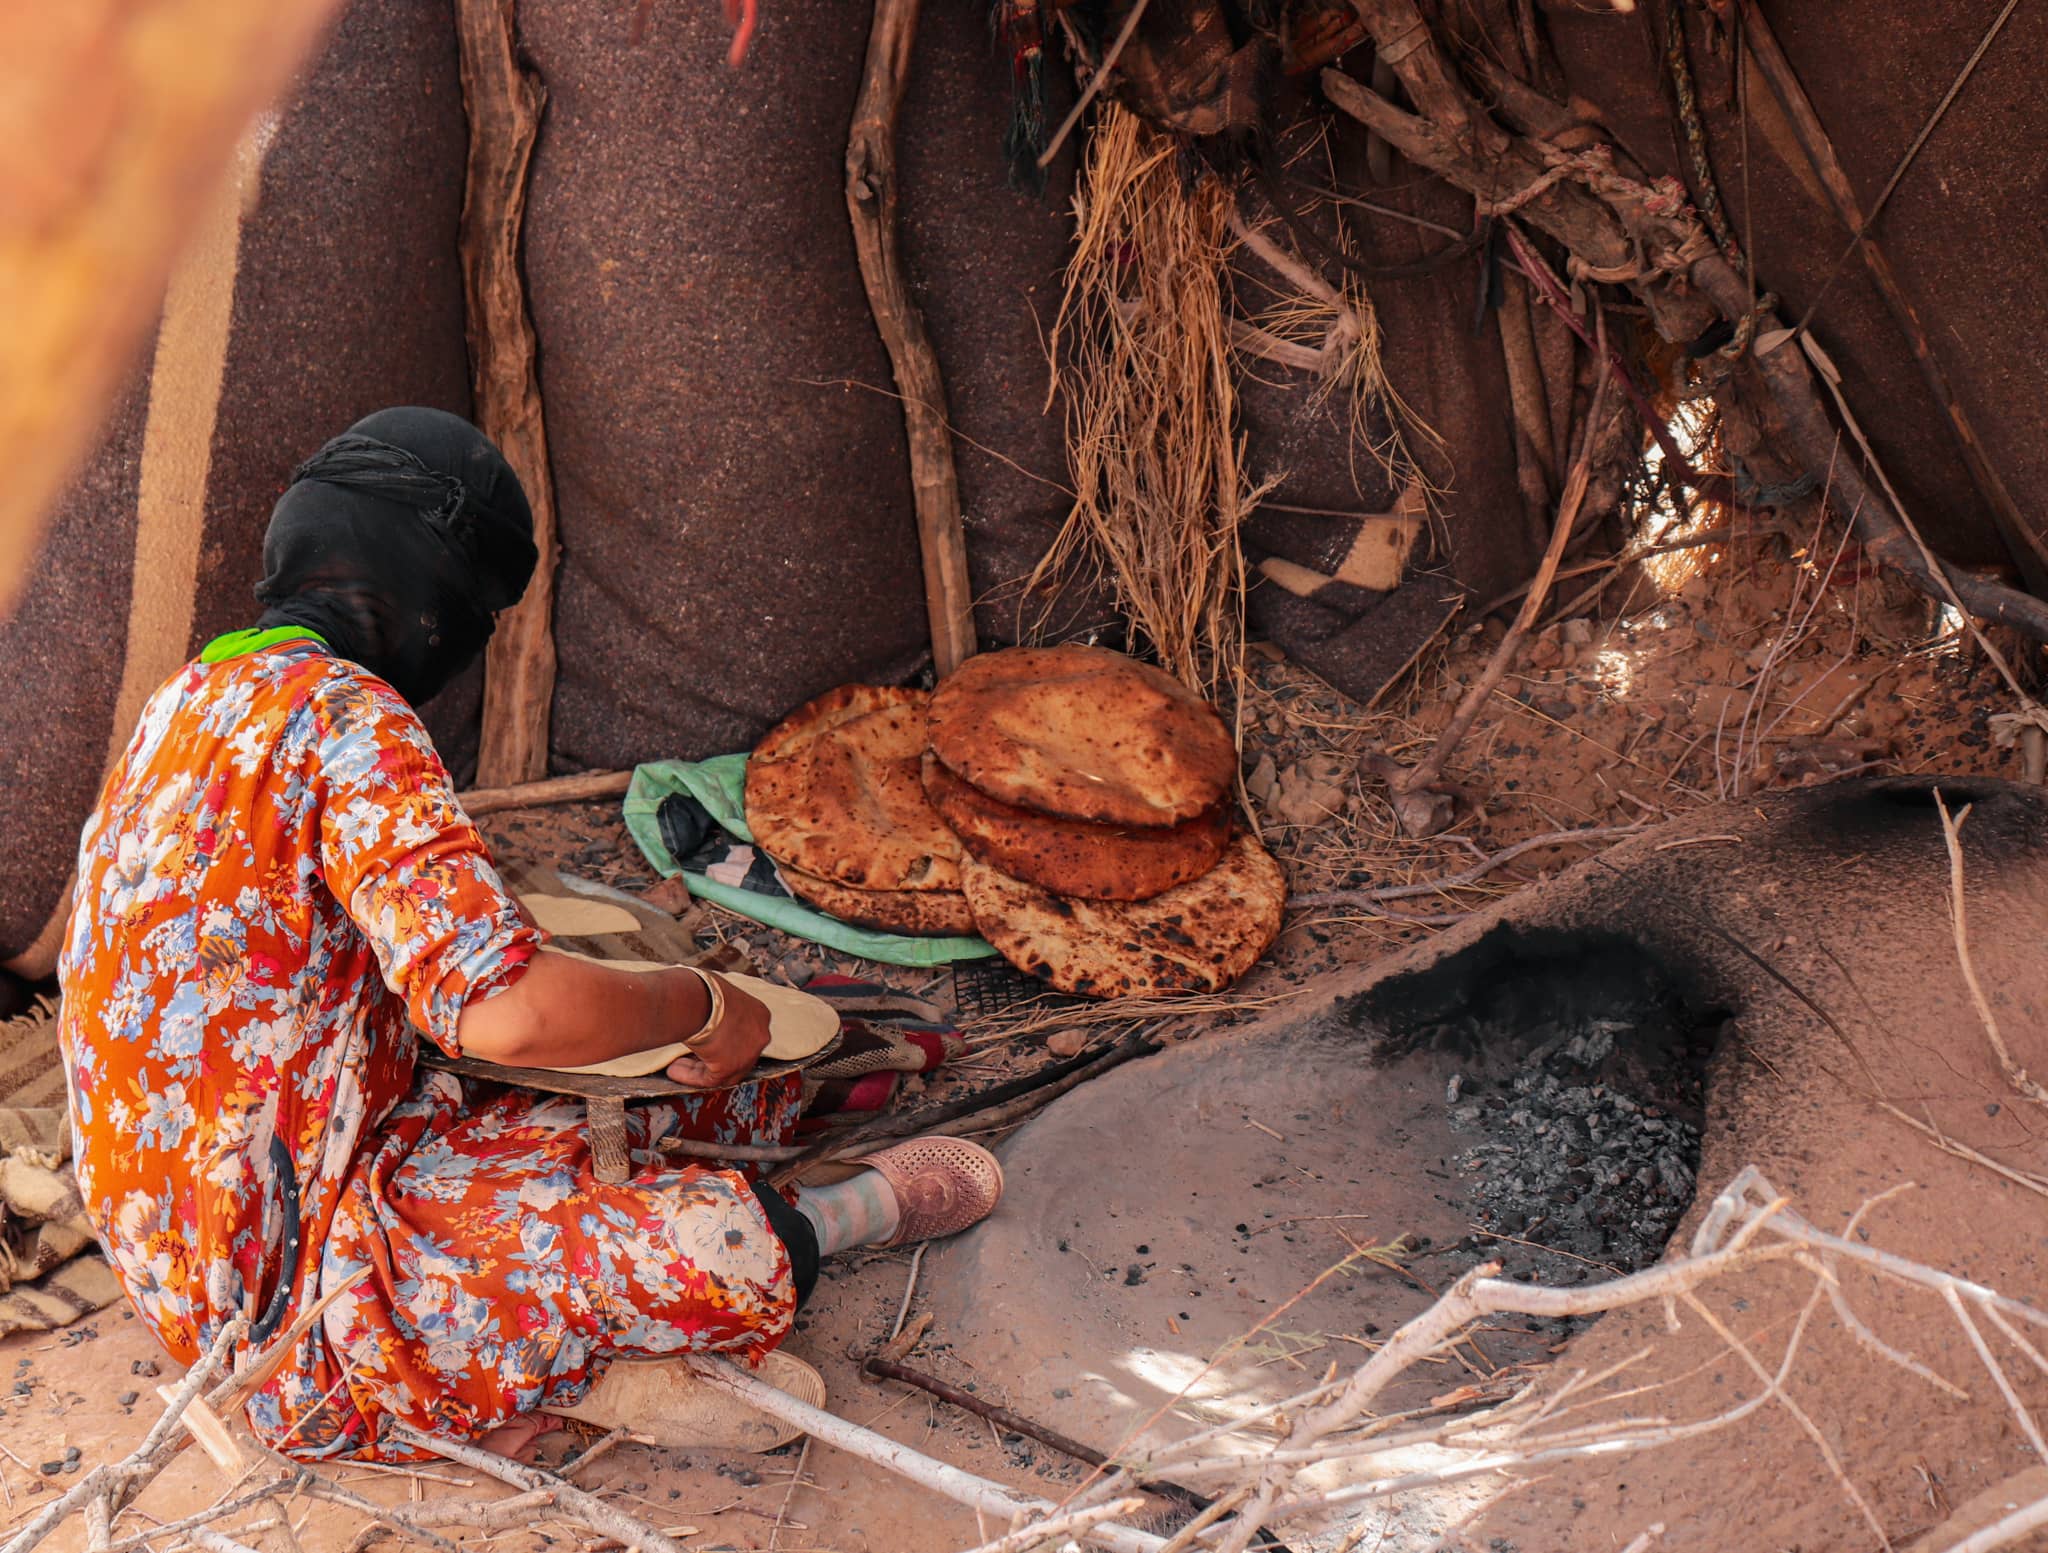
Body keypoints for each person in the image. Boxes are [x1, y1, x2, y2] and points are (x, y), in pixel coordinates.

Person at [56, 408, 1001, 1462]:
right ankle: (828, 1217)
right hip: (294, 1327)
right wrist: (702, 1001)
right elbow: (504, 1010)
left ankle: (783, 1100)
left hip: (200, 1255)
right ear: (427, 596)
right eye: (479, 614)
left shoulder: (185, 704)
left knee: (584, 1092)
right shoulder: (348, 718)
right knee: (711, 1237)